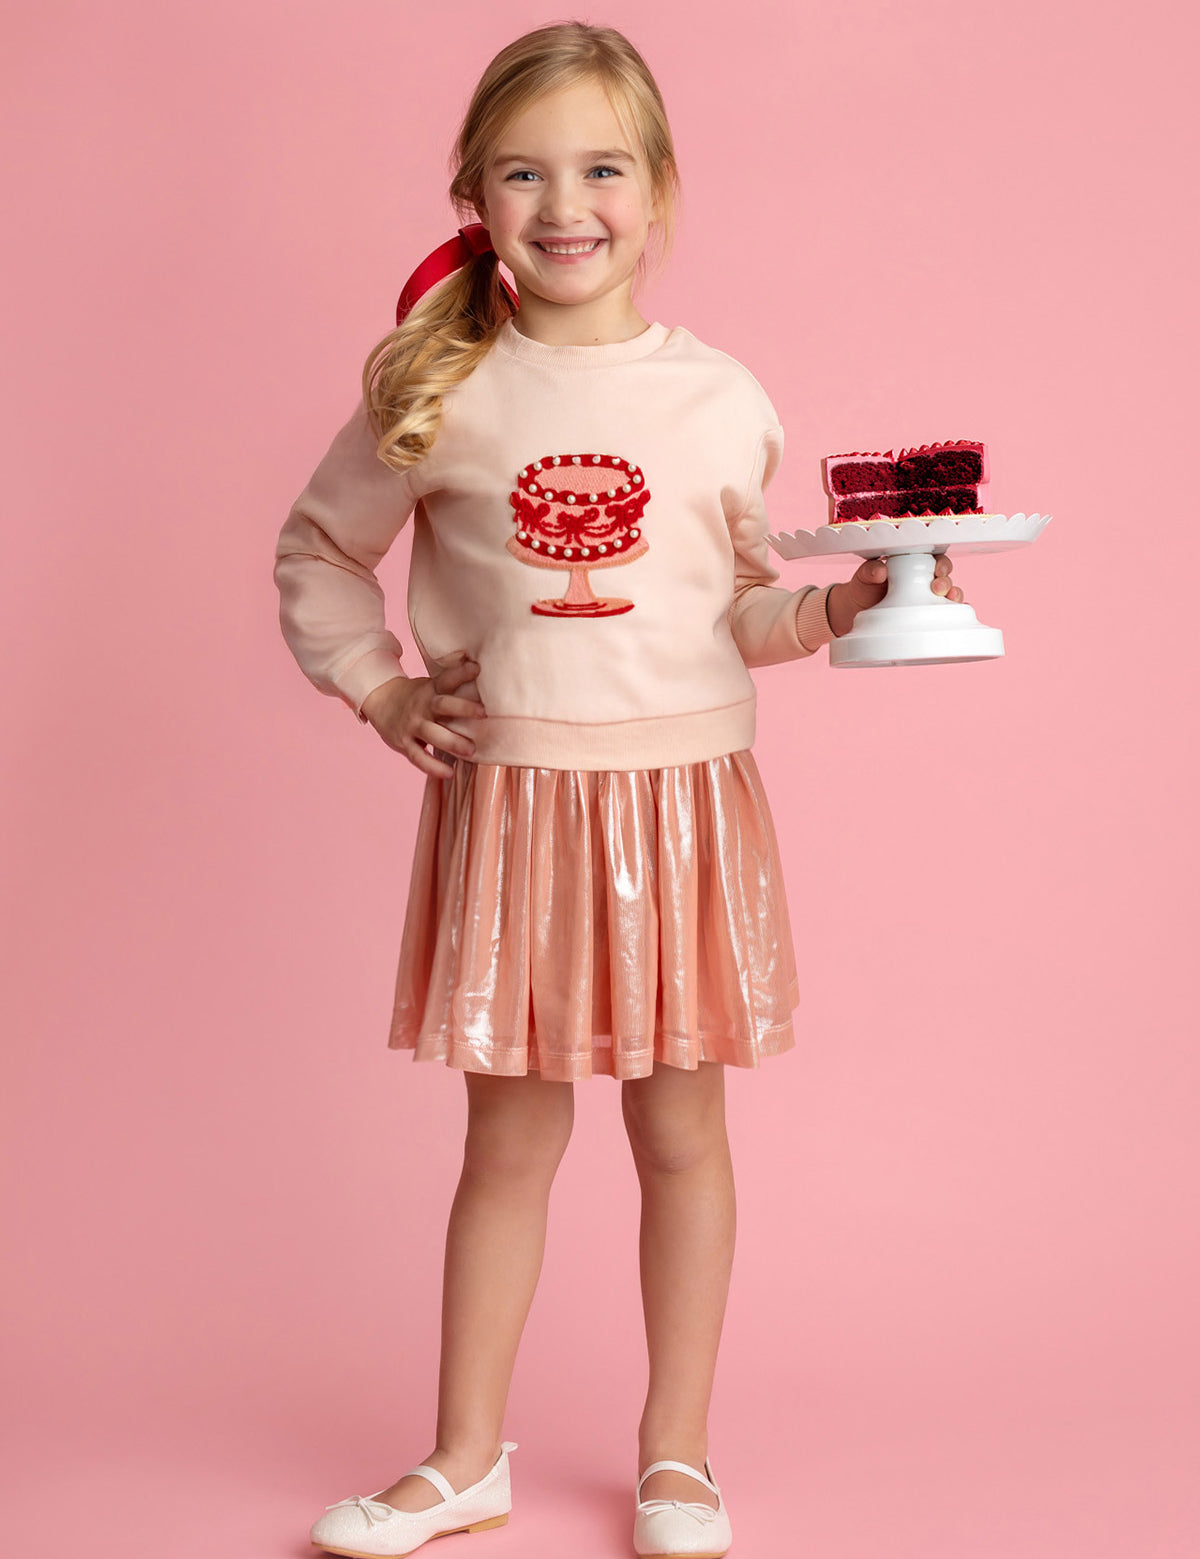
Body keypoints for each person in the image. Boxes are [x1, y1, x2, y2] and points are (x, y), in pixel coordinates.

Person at [274, 22, 961, 1559]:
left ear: (657, 192)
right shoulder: (439, 389)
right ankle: (466, 1459)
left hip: (680, 813)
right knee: (506, 1146)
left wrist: (849, 609)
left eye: (600, 168)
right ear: (475, 196)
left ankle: (679, 1461)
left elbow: (732, 616)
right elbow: (319, 549)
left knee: (682, 1140)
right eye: (523, 171)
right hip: (516, 814)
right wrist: (381, 688)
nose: (564, 202)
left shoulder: (720, 396)